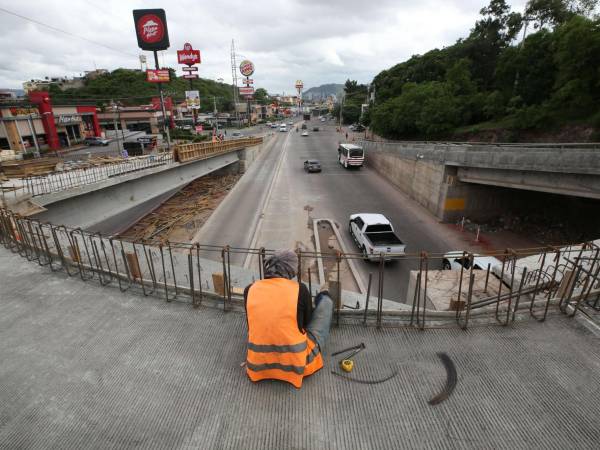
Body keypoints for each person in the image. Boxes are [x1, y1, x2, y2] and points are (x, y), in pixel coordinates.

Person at [244, 250, 333, 389]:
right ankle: (323, 294)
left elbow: (251, 324)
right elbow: (306, 324)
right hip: (295, 364)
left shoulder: (250, 290)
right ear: (290, 270)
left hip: (257, 363)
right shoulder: (300, 290)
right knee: (326, 304)